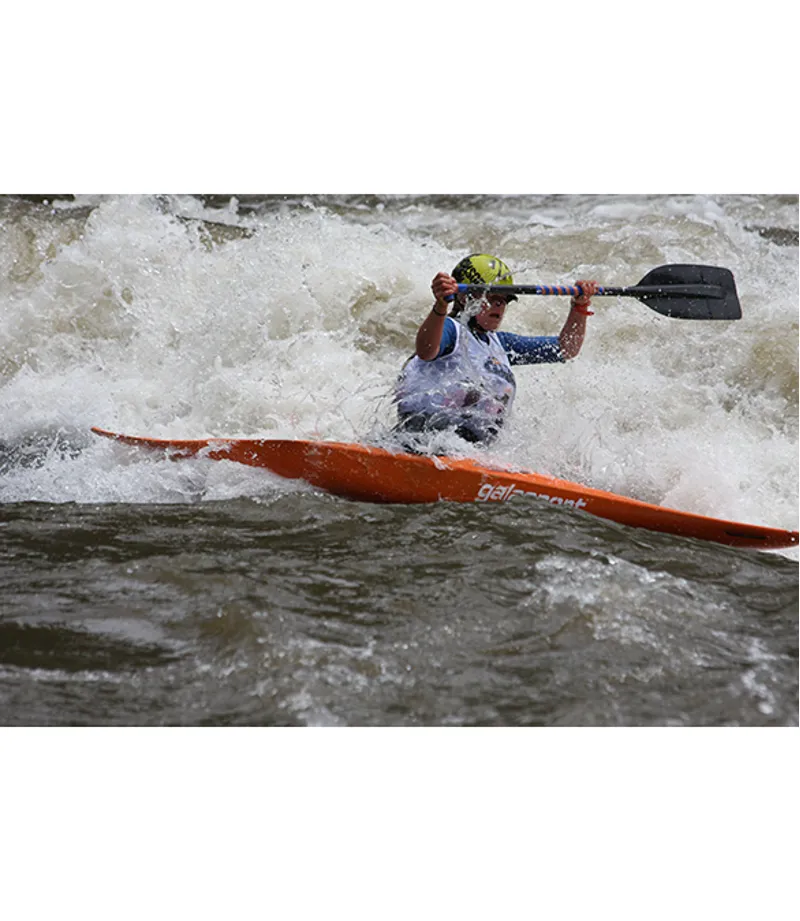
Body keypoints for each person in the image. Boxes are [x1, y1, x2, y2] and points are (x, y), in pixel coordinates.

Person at [394, 254, 599, 447]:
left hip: (472, 450)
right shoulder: (450, 329)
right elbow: (426, 350)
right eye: (492, 298)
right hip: (424, 440)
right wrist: (440, 306)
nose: (500, 306)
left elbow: (565, 348)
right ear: (465, 298)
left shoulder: (501, 344)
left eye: (504, 300)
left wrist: (579, 307)